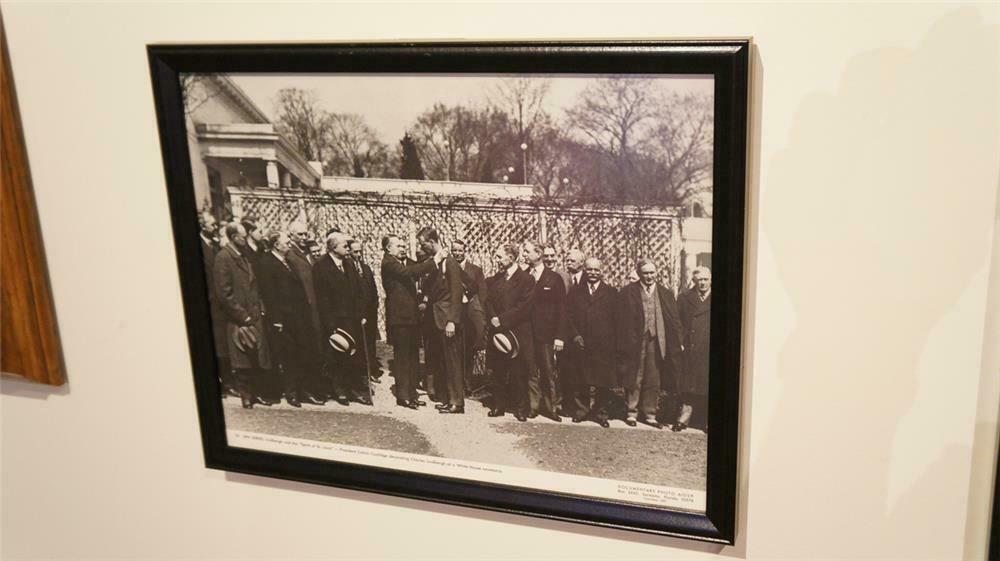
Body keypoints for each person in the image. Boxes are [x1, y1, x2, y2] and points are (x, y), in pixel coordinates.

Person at [257, 232, 319, 407]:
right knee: (289, 356)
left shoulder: (288, 262)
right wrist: (276, 319)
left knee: (301, 354)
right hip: (283, 319)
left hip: (297, 317)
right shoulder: (267, 263)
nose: (289, 244)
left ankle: (303, 390)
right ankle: (291, 393)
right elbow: (269, 294)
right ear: (276, 244)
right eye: (286, 242)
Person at [619, 259, 683, 428]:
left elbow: (674, 319)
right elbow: (620, 319)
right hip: (635, 341)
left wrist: (678, 341)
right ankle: (631, 412)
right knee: (635, 375)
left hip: (657, 340)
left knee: (653, 378)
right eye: (645, 273)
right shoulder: (628, 292)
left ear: (657, 273)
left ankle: (649, 413)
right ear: (639, 274)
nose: (649, 276)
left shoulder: (665, 293)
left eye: (652, 272)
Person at [213, 223, 271, 408]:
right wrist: (242, 316)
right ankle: (246, 395)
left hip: (254, 312)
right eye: (242, 237)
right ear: (232, 237)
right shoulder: (224, 258)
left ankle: (256, 393)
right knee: (242, 356)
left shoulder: (244, 255)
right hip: (240, 317)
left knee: (255, 356)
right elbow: (224, 294)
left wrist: (260, 306)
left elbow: (255, 285)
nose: (245, 240)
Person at [313, 232, 370, 406]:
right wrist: (331, 325)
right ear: (333, 247)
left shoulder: (349, 264)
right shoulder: (321, 267)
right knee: (336, 356)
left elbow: (359, 292)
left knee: (352, 356)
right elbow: (323, 299)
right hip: (336, 322)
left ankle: (352, 388)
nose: (348, 249)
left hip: (352, 319)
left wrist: (361, 314)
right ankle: (339, 390)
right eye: (345, 246)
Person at [381, 234, 437, 409]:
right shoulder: (389, 263)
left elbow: (419, 267)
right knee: (402, 357)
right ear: (388, 249)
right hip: (399, 319)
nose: (403, 248)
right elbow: (410, 272)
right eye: (399, 246)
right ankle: (403, 396)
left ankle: (411, 393)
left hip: (412, 318)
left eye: (404, 246)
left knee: (413, 356)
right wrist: (434, 261)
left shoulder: (405, 262)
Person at [483, 243, 536, 421]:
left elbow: (524, 307)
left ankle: (521, 408)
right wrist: (492, 318)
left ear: (511, 258)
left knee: (518, 372)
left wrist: (502, 320)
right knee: (498, 370)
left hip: (517, 332)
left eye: (499, 256)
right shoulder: (495, 279)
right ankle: (499, 405)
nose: (496, 260)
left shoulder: (526, 280)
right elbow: (488, 301)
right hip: (497, 332)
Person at [565, 257, 619, 428]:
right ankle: (581, 411)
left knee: (603, 381)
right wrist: (575, 335)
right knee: (580, 378)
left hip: (604, 345)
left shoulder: (611, 292)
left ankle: (601, 413)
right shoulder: (575, 292)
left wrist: (612, 342)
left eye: (596, 270)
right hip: (581, 343)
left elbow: (617, 319)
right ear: (585, 270)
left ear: (602, 271)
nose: (593, 273)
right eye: (589, 270)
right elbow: (568, 317)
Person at [417, 227, 465, 414]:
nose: (422, 248)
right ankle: (446, 399)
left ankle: (457, 402)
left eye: (423, 244)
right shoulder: (436, 262)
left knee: (452, 362)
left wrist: (453, 320)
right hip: (436, 319)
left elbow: (456, 292)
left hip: (447, 320)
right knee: (442, 362)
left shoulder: (450, 262)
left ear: (431, 241)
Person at [524, 241, 565, 422]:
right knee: (530, 370)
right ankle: (533, 406)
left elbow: (562, 309)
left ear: (538, 254)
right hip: (526, 332)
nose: (524, 254)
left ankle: (551, 408)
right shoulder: (524, 275)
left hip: (547, 334)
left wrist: (559, 336)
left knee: (548, 371)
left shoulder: (554, 278)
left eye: (527, 252)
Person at [284, 221, 325, 404]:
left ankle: (313, 387)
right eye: (300, 234)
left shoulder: (308, 253)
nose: (303, 237)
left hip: (314, 308)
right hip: (302, 311)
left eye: (305, 234)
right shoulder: (291, 255)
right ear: (291, 235)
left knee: (315, 349)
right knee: (303, 351)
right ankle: (302, 390)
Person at [677, 266, 712, 432]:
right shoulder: (685, 298)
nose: (703, 283)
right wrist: (681, 342)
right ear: (694, 281)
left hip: (709, 347)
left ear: (711, 280)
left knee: (708, 385)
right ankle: (683, 420)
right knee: (689, 386)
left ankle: (707, 422)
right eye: (699, 280)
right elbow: (678, 323)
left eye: (705, 279)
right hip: (691, 347)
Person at [452, 239, 487, 388]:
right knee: (455, 347)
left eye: (460, 250)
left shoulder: (475, 270)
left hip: (470, 313)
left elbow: (483, 292)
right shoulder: (448, 267)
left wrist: (479, 310)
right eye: (455, 250)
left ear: (465, 251)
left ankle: (467, 381)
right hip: (454, 312)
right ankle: (455, 381)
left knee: (469, 347)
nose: (458, 253)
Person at [556, 248, 586, 415]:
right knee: (565, 370)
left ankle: (579, 407)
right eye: (567, 260)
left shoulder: (587, 280)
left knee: (581, 372)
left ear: (581, 263)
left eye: (572, 261)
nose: (568, 263)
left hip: (582, 334)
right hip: (565, 332)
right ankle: (565, 405)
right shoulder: (562, 278)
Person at [349, 239, 380, 383]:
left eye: (360, 251)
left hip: (370, 311)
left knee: (370, 342)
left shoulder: (365, 267)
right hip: (358, 314)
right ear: (349, 252)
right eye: (355, 251)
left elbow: (373, 288)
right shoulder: (348, 267)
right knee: (359, 344)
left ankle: (371, 370)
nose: (359, 254)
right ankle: (361, 372)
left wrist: (374, 305)